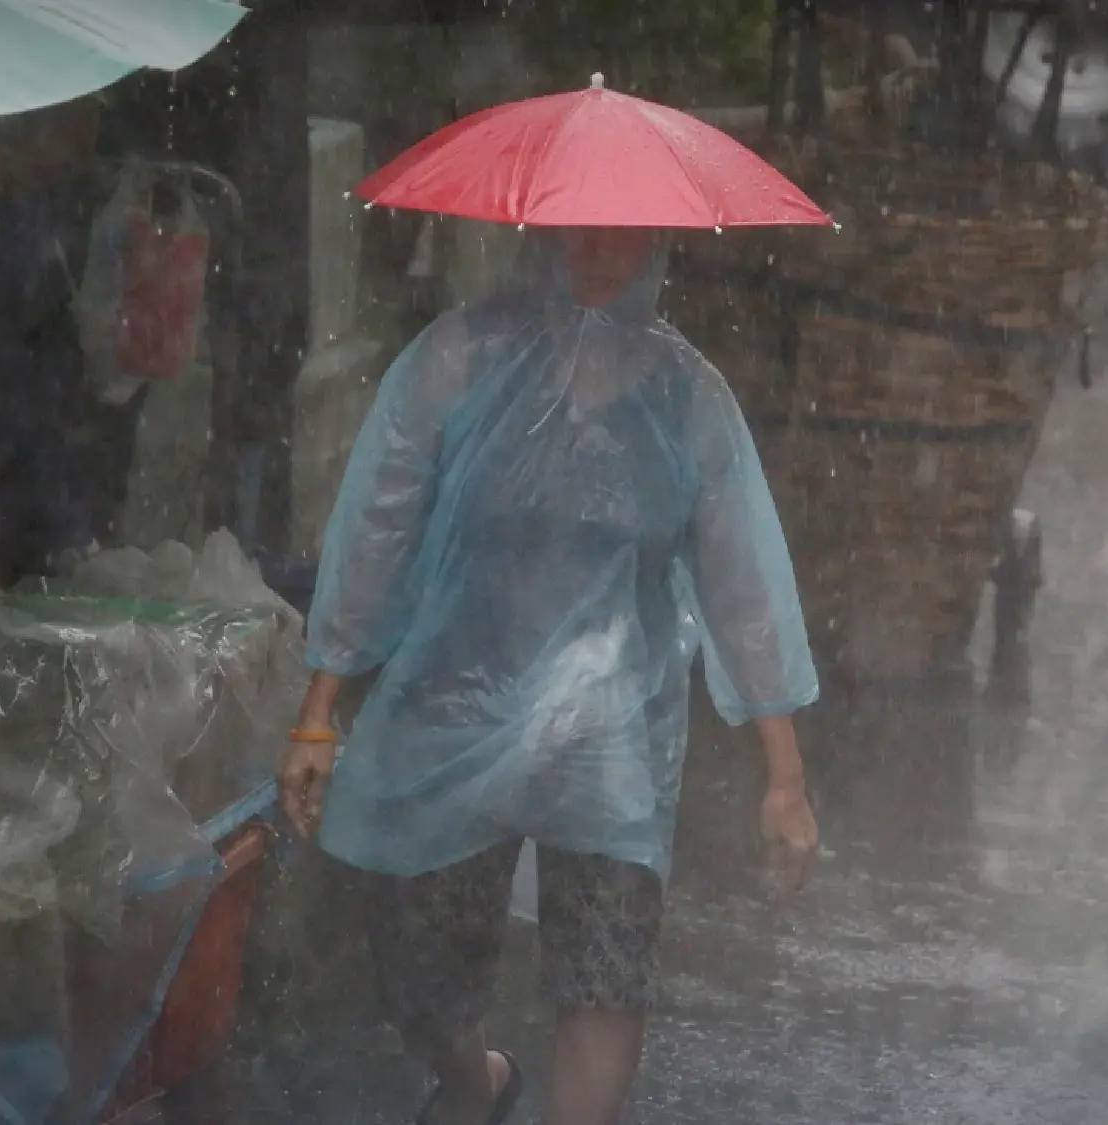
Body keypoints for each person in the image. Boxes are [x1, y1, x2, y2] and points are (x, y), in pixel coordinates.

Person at [279, 225, 821, 1125]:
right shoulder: (459, 357)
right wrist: (318, 708)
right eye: (585, 228)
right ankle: (471, 1081)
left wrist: (786, 776)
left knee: (605, 974)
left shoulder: (689, 399)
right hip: (456, 701)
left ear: (658, 241)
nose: (603, 248)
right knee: (419, 969)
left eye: (628, 232)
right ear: (547, 229)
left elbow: (744, 585)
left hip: (612, 729)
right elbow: (376, 526)